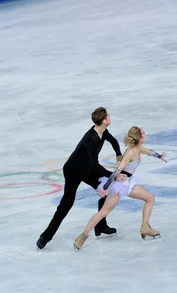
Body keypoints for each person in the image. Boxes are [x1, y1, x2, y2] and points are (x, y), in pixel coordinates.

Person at [36, 107, 127, 250]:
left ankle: (100, 226)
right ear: (104, 120)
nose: (110, 117)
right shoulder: (90, 139)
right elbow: (94, 165)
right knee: (67, 203)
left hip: (87, 169)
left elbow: (114, 141)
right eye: (108, 116)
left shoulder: (102, 131)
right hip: (73, 170)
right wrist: (113, 175)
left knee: (106, 187)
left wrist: (118, 154)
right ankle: (45, 236)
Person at [73, 126, 168, 250]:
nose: (145, 134)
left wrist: (160, 156)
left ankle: (145, 227)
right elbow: (117, 170)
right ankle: (82, 237)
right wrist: (105, 188)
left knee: (150, 198)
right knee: (103, 212)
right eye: (143, 133)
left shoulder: (138, 147)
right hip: (118, 185)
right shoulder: (130, 153)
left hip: (128, 182)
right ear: (139, 138)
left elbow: (149, 151)